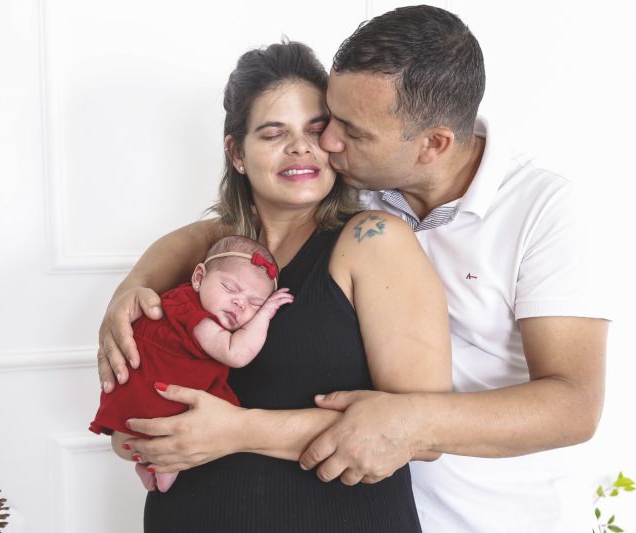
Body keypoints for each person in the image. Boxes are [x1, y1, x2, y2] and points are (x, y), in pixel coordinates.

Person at [99, 6, 610, 533]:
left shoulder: (538, 210)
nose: (325, 144)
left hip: (490, 510)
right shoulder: (355, 182)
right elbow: (219, 230)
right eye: (329, 121)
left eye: (341, 129)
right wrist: (133, 288)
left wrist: (243, 430)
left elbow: (572, 405)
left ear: (432, 145)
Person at [103, 40, 452, 531]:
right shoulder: (204, 254)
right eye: (273, 133)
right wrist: (138, 429)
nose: (300, 147)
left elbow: (426, 431)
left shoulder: (374, 241)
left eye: (316, 129)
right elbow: (138, 397)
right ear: (236, 153)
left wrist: (236, 431)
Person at [89, 235, 294, 493]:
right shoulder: (194, 315)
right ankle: (163, 464)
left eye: (255, 303)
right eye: (230, 288)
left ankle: (150, 465)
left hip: (138, 391)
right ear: (198, 278)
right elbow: (236, 353)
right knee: (211, 414)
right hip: (155, 389)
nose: (240, 303)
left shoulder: (184, 299)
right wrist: (265, 313)